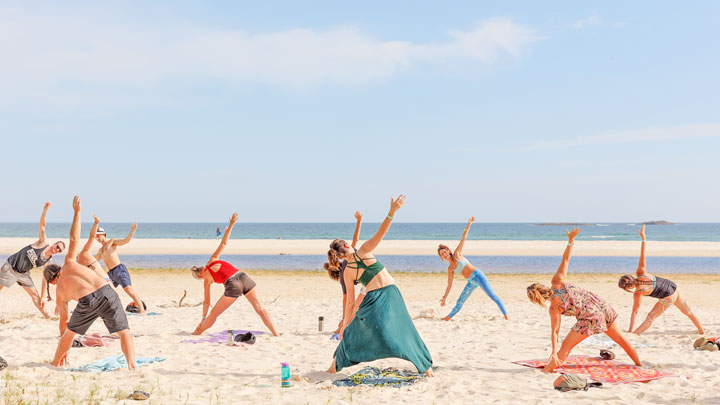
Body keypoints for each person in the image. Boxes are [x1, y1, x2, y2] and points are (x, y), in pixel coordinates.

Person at [327, 195, 434, 377]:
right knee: (405, 331)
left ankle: (333, 368)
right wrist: (392, 211)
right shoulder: (364, 250)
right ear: (346, 245)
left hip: (372, 299)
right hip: (391, 294)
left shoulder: (347, 271)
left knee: (356, 332)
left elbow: (350, 303)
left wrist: (345, 325)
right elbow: (381, 232)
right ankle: (426, 368)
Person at [526, 228, 640, 372]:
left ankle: (547, 371)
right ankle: (639, 365)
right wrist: (570, 241)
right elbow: (566, 260)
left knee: (566, 346)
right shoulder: (558, 281)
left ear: (538, 300)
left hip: (591, 318)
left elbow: (555, 332)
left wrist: (554, 351)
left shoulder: (554, 308)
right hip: (603, 307)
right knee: (621, 340)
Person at [45, 196, 136, 369]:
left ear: (51, 282)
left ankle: (56, 362)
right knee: (124, 332)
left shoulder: (59, 292)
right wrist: (77, 212)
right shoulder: (70, 262)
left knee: (70, 332)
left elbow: (64, 324)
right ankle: (132, 366)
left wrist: (65, 350)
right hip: (107, 290)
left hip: (88, 300)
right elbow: (73, 238)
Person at [190, 213, 279, 336]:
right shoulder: (212, 260)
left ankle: (196, 333)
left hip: (233, 284)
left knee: (214, 314)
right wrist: (231, 224)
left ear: (199, 275)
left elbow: (206, 302)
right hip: (244, 277)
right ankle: (276, 333)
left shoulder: (206, 280)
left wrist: (203, 318)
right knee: (260, 308)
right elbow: (224, 243)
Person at [618, 225, 704, 335]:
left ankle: (635, 334)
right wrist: (643, 238)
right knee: (687, 312)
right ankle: (702, 331)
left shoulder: (638, 293)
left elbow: (635, 312)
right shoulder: (641, 272)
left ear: (628, 287)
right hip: (673, 286)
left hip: (668, 296)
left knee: (650, 317)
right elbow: (643, 254)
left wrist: (630, 330)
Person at [438, 216, 508, 321]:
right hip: (471, 281)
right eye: (442, 254)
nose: (444, 254)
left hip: (478, 276)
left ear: (448, 251)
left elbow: (464, 237)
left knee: (492, 296)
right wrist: (444, 297)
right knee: (460, 301)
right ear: (441, 257)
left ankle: (506, 316)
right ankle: (448, 318)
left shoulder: (457, 254)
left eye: (445, 252)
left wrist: (469, 224)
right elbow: (449, 285)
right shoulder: (450, 268)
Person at [0, 202, 63, 318]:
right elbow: (42, 226)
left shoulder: (48, 261)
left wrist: (43, 296)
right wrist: (45, 210)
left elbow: (45, 278)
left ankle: (47, 317)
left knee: (36, 296)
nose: (57, 249)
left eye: (60, 250)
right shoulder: (43, 243)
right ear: (54, 244)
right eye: (57, 246)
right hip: (11, 267)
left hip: (23, 274)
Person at [323, 211, 363, 334]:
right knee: (350, 300)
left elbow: (355, 239)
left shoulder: (351, 253)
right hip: (360, 279)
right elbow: (346, 298)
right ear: (345, 246)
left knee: (353, 300)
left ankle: (344, 323)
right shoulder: (346, 271)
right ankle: (343, 324)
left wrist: (359, 221)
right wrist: (359, 220)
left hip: (363, 280)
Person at [95, 222, 146, 314]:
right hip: (110, 273)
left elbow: (125, 241)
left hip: (119, 269)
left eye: (98, 235)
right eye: (95, 236)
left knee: (128, 290)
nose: (97, 238)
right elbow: (93, 262)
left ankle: (142, 310)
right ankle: (102, 310)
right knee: (103, 290)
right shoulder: (100, 250)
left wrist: (132, 231)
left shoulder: (112, 242)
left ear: (104, 234)